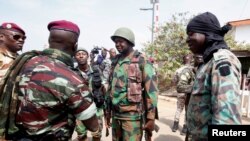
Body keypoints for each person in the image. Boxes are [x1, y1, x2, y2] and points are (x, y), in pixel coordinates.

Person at [11, 20, 99, 141]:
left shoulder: (25, 63)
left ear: (50, 41)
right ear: (75, 45)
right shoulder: (71, 79)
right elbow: (93, 126)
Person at [186, 12, 242, 140]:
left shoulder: (221, 61)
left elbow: (227, 122)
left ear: (206, 33)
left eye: (191, 34)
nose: (187, 39)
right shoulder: (207, 63)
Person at [105, 27, 158, 141]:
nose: (117, 44)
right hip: (116, 115)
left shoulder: (141, 60)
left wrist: (151, 118)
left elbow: (151, 91)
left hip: (132, 117)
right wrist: (107, 111)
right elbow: (110, 87)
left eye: (121, 41)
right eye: (116, 42)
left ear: (129, 42)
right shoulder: (115, 61)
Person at [74, 47, 105, 141]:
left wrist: (104, 104)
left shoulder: (96, 70)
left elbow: (103, 87)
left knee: (97, 134)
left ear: (87, 56)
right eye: (78, 54)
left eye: (83, 54)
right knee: (81, 134)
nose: (81, 56)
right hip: (80, 109)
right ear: (75, 57)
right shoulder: (72, 73)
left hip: (96, 108)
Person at [171, 54, 193, 134]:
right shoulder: (193, 69)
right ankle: (185, 128)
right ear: (191, 60)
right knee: (187, 110)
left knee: (179, 109)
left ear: (183, 60)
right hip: (189, 92)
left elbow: (174, 81)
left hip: (180, 92)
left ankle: (175, 126)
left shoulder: (178, 70)